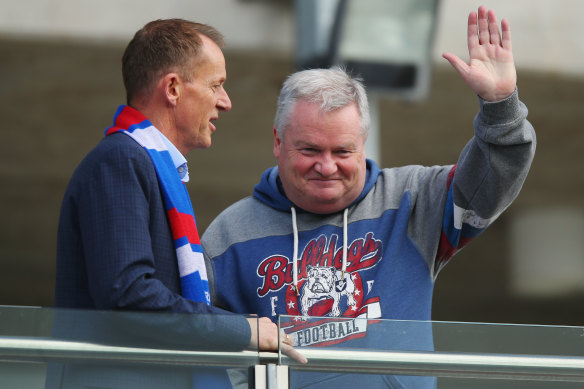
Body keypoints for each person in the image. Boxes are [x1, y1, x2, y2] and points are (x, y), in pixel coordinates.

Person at [202, 6, 536, 388]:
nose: (326, 167)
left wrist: (501, 108)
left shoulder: (414, 200)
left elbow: (490, 184)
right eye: (310, 150)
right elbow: (199, 354)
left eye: (342, 152)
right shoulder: (227, 236)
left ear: (362, 145)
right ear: (278, 142)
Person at [52, 18, 300, 389]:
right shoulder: (121, 160)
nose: (226, 102)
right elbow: (128, 294)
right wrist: (242, 330)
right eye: (216, 85)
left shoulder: (148, 166)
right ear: (172, 88)